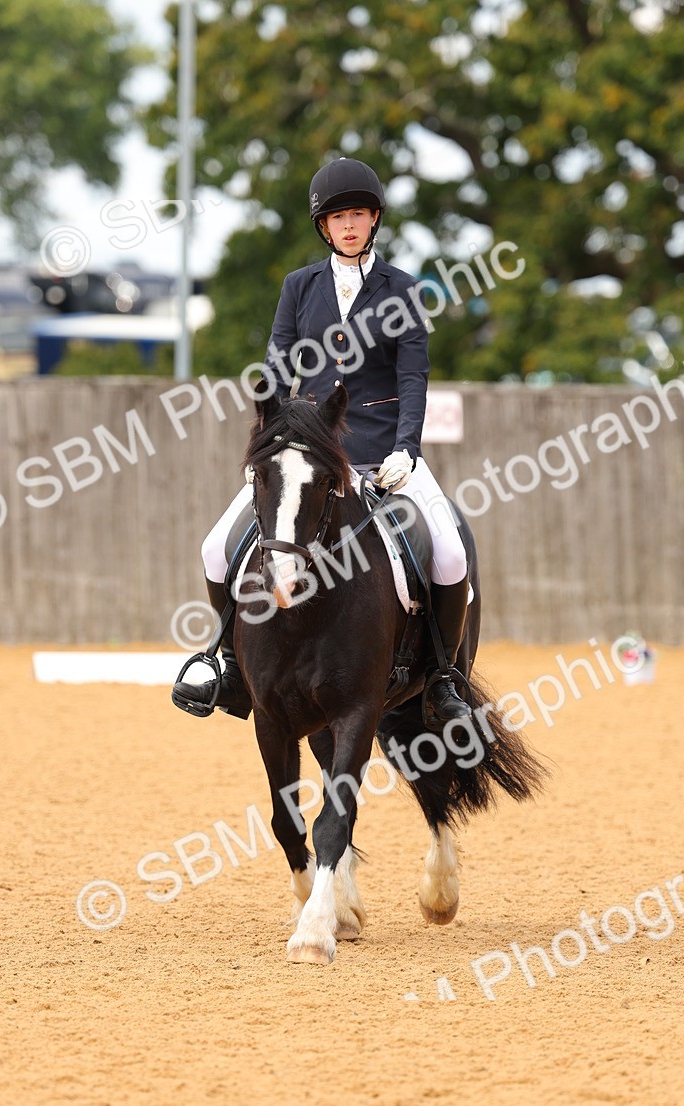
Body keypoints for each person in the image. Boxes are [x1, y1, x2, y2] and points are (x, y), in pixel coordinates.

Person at [179, 157, 472, 725]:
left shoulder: (404, 291)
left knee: (452, 552)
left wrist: (406, 450)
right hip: (306, 454)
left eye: (358, 214)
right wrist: (264, 444)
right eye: (339, 217)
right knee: (216, 548)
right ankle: (230, 667)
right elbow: (276, 366)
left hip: (385, 453)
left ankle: (442, 679)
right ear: (324, 225)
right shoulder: (299, 287)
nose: (349, 225)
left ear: (374, 220)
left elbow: (413, 377)